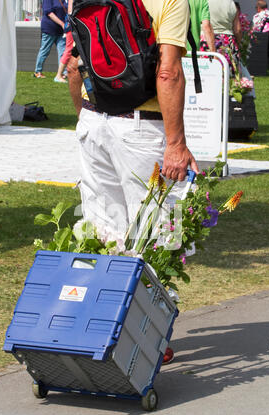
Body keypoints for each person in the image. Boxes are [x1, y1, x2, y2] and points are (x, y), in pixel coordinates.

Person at [68, 0, 199, 365]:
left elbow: (74, 62)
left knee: (102, 229)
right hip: (142, 127)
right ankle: (146, 334)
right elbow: (168, 72)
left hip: (95, 119)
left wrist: (86, 119)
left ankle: (96, 329)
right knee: (158, 234)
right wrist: (175, 144)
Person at [200, 0, 242, 74]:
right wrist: (238, 46)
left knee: (206, 74)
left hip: (207, 40)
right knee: (228, 75)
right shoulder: (231, 3)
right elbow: (237, 30)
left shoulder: (204, 1)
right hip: (228, 41)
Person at [34, 0, 67, 80]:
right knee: (44, 51)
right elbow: (49, 13)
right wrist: (62, 24)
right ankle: (38, 72)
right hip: (49, 29)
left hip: (61, 31)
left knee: (63, 52)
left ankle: (62, 73)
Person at [253, 1, 269, 71]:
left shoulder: (256, 16)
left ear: (258, 8)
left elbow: (255, 29)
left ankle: (260, 68)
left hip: (261, 38)